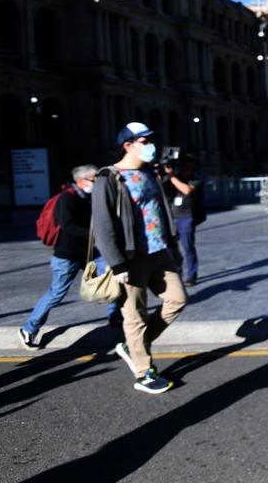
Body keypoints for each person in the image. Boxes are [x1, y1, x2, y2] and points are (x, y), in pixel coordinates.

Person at [92, 122, 187, 395]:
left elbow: (160, 211)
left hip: (159, 251)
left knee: (177, 299)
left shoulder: (149, 173)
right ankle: (143, 372)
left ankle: (132, 347)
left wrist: (173, 247)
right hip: (131, 258)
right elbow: (103, 224)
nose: (150, 146)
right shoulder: (108, 177)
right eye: (144, 141)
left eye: (150, 141)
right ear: (128, 145)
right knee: (134, 315)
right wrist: (117, 262)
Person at [18, 165, 99, 349]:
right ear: (81, 181)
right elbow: (67, 226)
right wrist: (94, 235)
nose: (96, 183)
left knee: (112, 279)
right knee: (56, 294)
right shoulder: (67, 198)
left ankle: (118, 321)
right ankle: (29, 329)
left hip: (87, 252)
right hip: (67, 256)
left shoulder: (86, 197)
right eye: (94, 180)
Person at [161, 154, 204, 285]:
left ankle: (192, 274)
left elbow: (186, 190)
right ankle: (177, 270)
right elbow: (161, 187)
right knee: (171, 248)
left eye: (188, 164)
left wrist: (172, 176)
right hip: (171, 217)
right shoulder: (174, 178)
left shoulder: (196, 178)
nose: (185, 167)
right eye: (183, 164)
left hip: (186, 217)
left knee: (188, 247)